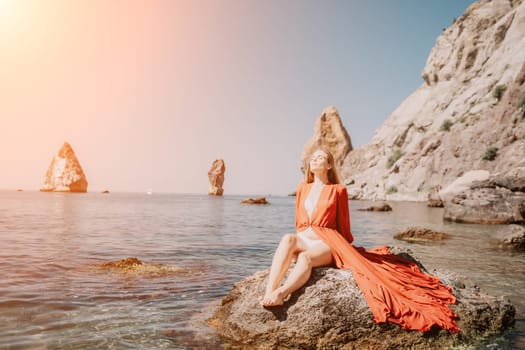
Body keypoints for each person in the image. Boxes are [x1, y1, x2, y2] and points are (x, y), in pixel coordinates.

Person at [261, 148, 459, 333]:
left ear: (329, 165)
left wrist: (341, 250)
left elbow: (344, 227)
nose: (314, 159)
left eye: (320, 157)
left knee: (305, 258)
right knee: (288, 238)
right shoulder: (303, 188)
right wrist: (300, 241)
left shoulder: (338, 190)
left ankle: (282, 293)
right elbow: (298, 222)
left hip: (327, 242)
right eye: (312, 157)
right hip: (305, 237)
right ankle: (269, 291)